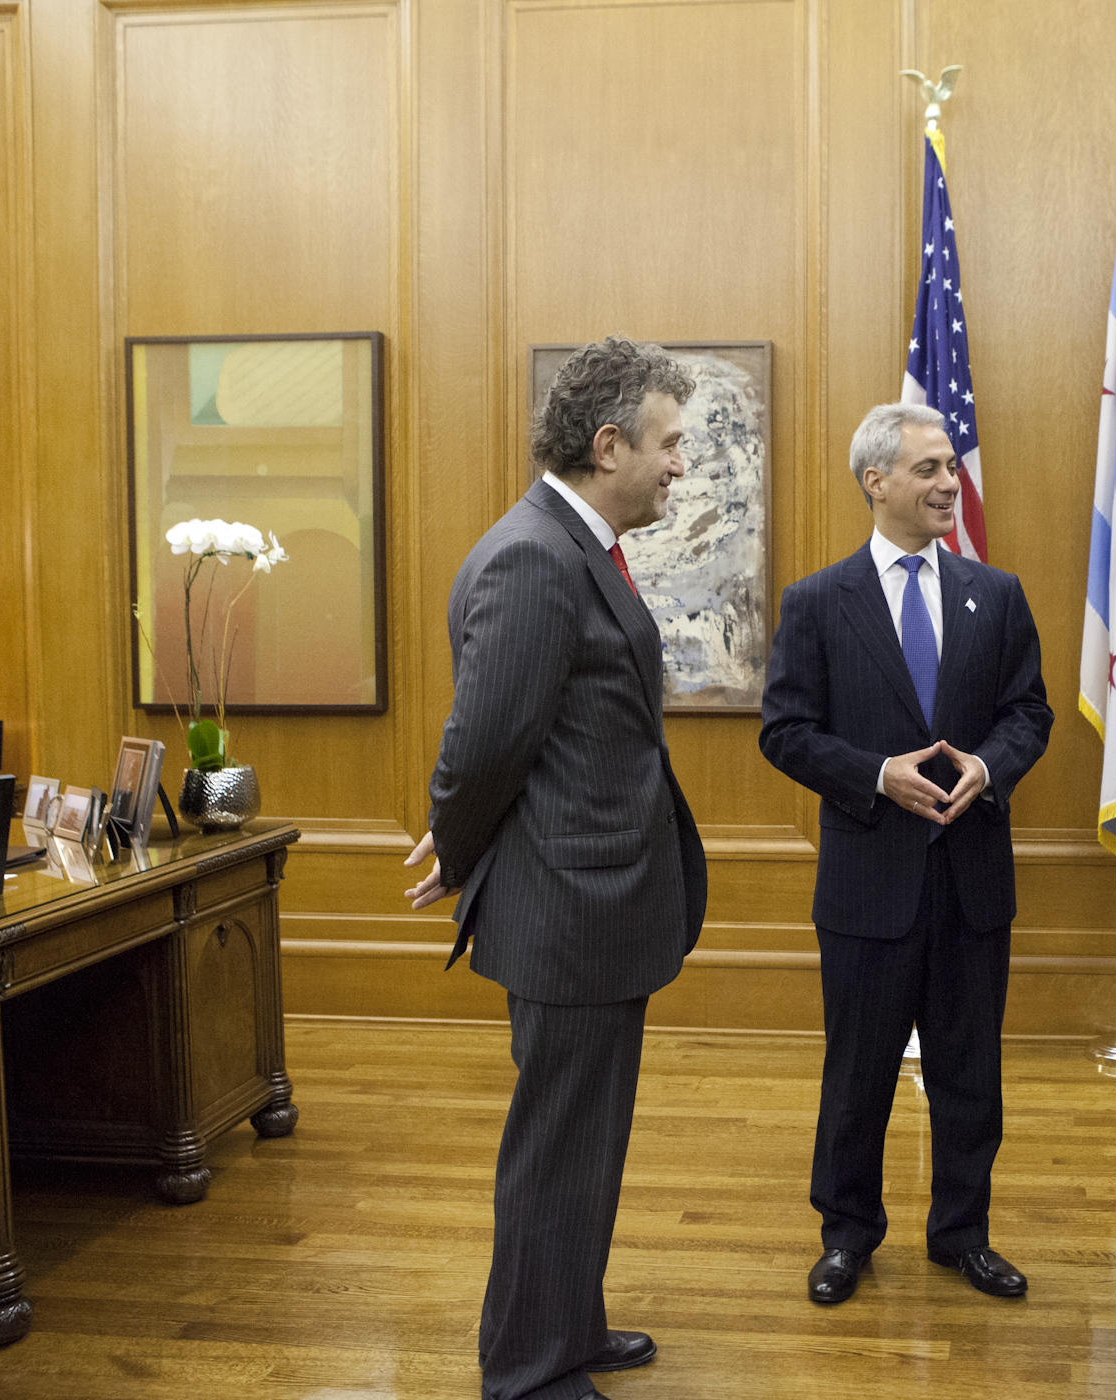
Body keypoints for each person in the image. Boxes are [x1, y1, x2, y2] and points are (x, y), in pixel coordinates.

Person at [403, 336, 710, 1400]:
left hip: (597, 903)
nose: (681, 464)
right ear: (608, 440)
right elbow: (484, 742)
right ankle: (528, 1370)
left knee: (585, 1140)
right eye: (668, 443)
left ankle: (568, 1320)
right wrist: (456, 842)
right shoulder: (535, 555)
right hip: (569, 905)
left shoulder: (573, 544)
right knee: (556, 1146)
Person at [759, 402, 1053, 1307]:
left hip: (971, 883)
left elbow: (1028, 714)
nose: (946, 483)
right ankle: (847, 1234)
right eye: (927, 469)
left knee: (972, 1073)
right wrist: (875, 774)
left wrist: (990, 766)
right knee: (858, 1077)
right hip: (867, 884)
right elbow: (785, 731)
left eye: (951, 467)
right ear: (875, 481)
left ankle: (961, 1233)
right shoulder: (817, 601)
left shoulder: (994, 594)